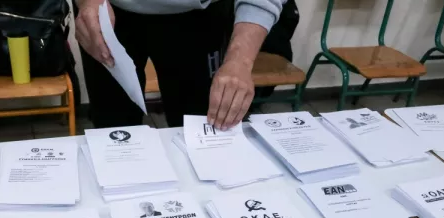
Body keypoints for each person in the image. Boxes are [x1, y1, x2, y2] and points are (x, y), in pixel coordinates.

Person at [74, 0, 290, 130]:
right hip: (107, 13)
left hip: (199, 17)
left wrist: (240, 60)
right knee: (113, 131)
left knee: (205, 132)